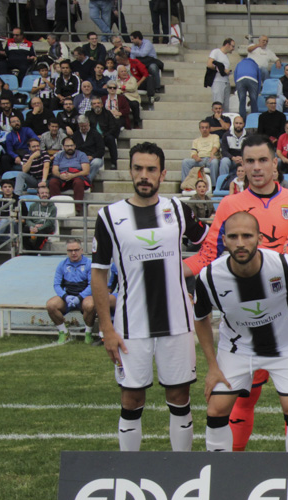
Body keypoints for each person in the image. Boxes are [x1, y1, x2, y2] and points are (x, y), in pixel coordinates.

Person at [184, 134, 288, 452]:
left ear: (275, 162)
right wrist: (168, 272)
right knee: (243, 395)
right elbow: (209, 257)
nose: (256, 168)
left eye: (262, 160)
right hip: (244, 318)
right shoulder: (230, 205)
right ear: (241, 165)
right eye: (249, 161)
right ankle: (233, 467)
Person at [91, 142, 208, 452]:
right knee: (132, 398)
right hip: (131, 326)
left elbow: (209, 243)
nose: (144, 176)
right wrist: (107, 330)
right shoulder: (109, 216)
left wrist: (191, 268)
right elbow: (99, 274)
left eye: (151, 170)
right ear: (131, 171)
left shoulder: (178, 210)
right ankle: (129, 470)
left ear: (162, 173)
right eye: (139, 169)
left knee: (180, 397)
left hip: (178, 323)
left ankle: (182, 469)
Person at [193, 211, 288, 453]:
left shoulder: (284, 265)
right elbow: (200, 319)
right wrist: (212, 367)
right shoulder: (209, 277)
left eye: (247, 236)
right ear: (225, 240)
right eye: (233, 236)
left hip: (284, 346)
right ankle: (219, 471)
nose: (240, 243)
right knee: (216, 409)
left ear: (260, 238)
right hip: (237, 349)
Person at [47, 238, 97, 344]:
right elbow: (56, 285)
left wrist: (79, 297)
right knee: (51, 305)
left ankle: (88, 333)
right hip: (68, 297)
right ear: (67, 251)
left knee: (90, 305)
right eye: (70, 250)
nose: (73, 253)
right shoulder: (62, 265)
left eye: (76, 250)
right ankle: (64, 332)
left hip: (84, 297)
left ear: (82, 250)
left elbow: (91, 285)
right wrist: (65, 297)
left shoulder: (89, 264)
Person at [47, 136, 90, 210]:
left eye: (71, 145)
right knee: (52, 182)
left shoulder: (81, 155)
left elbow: (86, 171)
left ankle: (77, 208)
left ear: (75, 146)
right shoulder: (59, 156)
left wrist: (73, 175)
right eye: (67, 146)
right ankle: (56, 207)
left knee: (78, 182)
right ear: (63, 146)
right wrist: (60, 175)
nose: (70, 147)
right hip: (62, 177)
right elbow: (54, 170)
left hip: (76, 176)